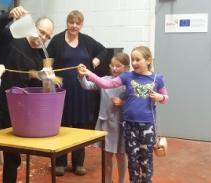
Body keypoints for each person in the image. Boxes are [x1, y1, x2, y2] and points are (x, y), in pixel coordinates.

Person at [0, 6, 54, 183]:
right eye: (42, 32)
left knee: (13, 157)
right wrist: (9, 15)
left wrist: (46, 80)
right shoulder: (11, 37)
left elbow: (35, 89)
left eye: (48, 36)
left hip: (17, 112)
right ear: (33, 27)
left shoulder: (40, 57)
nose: (43, 37)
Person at [77, 46, 169, 183]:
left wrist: (160, 97)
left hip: (147, 127)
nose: (135, 63)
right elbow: (105, 84)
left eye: (138, 59)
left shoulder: (157, 79)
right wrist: (88, 73)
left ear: (148, 60)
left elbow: (166, 97)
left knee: (145, 161)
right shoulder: (127, 76)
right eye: (133, 60)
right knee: (132, 160)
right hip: (129, 126)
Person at [47, 10, 109, 176]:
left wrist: (95, 61)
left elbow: (103, 51)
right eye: (71, 22)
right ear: (67, 23)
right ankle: (60, 162)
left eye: (77, 23)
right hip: (62, 90)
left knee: (81, 127)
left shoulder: (87, 40)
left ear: (81, 25)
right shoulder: (57, 40)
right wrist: (50, 77)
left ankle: (78, 163)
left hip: (82, 90)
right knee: (63, 125)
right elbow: (47, 61)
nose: (74, 26)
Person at [79, 52, 129, 183]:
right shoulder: (105, 80)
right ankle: (107, 180)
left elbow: (137, 101)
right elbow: (87, 85)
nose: (114, 68)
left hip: (121, 125)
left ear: (126, 68)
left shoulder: (129, 83)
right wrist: (81, 75)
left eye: (118, 66)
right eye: (112, 65)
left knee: (121, 156)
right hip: (106, 124)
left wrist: (123, 103)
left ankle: (122, 181)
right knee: (107, 156)